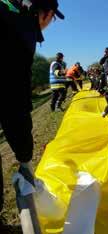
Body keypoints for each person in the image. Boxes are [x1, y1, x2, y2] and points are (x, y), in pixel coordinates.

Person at [0, 0, 64, 210]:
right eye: (52, 18)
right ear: (44, 14)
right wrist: (25, 160)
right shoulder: (22, 27)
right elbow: (14, 99)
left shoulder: (9, 13)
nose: (50, 23)